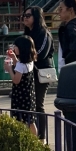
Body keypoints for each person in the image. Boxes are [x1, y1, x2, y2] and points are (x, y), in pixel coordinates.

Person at [23, 7, 54, 138]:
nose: (25, 17)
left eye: (28, 15)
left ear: (36, 17)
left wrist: (25, 57)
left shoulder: (44, 33)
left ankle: (41, 136)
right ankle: (31, 133)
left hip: (41, 72)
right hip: (29, 72)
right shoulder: (27, 33)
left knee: (38, 104)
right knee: (29, 104)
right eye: (24, 15)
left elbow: (41, 53)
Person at [5, 35, 37, 135]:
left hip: (20, 96)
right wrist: (14, 58)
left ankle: (23, 139)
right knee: (30, 121)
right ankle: (35, 141)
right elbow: (20, 67)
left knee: (20, 120)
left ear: (21, 48)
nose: (14, 48)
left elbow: (16, 80)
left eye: (16, 46)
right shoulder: (29, 61)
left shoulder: (20, 65)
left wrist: (10, 69)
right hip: (29, 95)